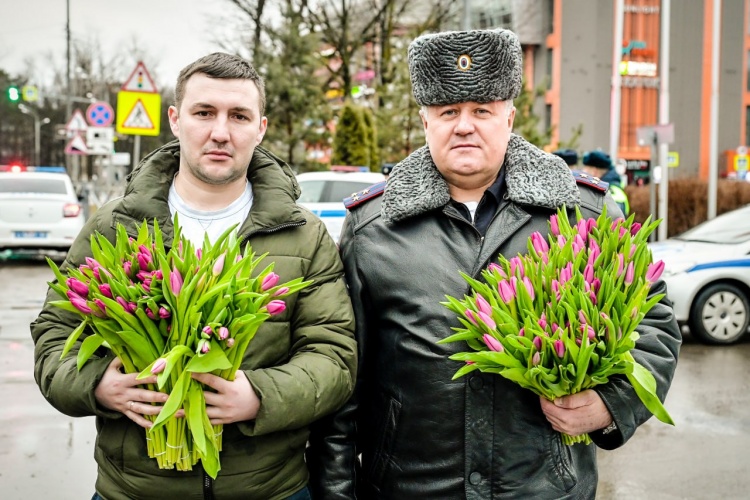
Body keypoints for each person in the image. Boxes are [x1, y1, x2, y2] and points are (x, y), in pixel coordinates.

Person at [306, 29, 681, 499]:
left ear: (510, 117)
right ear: (426, 122)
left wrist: (611, 402)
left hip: (545, 490)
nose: (464, 125)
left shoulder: (583, 211)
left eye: (482, 110)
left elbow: (655, 327)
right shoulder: (372, 228)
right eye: (448, 112)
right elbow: (345, 388)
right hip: (410, 488)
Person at [31, 52, 357, 500]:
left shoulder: (304, 235)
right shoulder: (113, 228)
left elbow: (334, 357)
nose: (220, 132)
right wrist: (98, 386)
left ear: (260, 128)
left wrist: (259, 396)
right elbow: (53, 336)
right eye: (204, 112)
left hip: (270, 490)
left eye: (239, 116)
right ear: (175, 119)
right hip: (134, 491)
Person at [582, 150, 630, 215]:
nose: (583, 173)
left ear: (594, 171)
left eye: (586, 170)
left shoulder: (611, 192)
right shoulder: (609, 188)